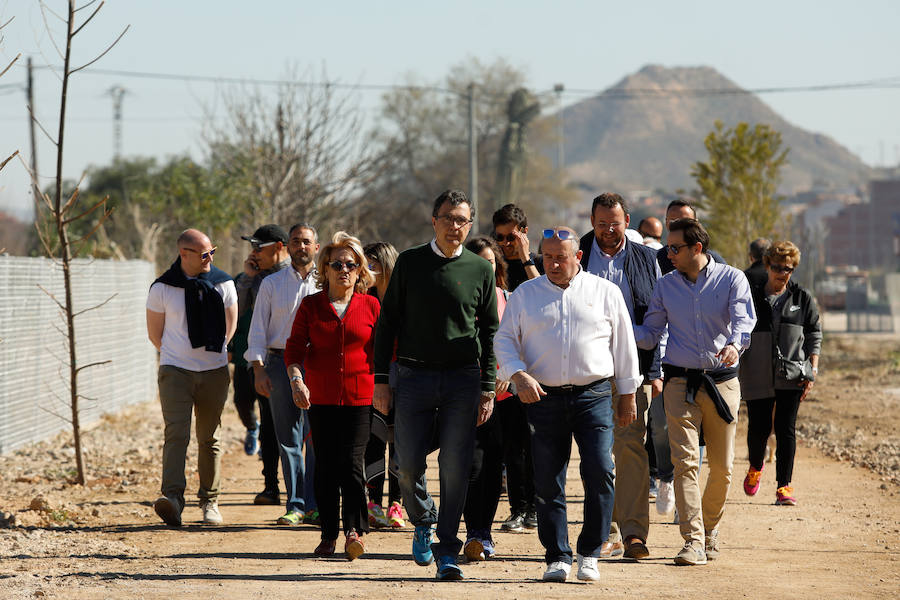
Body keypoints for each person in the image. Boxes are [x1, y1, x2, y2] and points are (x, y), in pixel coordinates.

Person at [495, 226, 641, 583]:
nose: (553, 263)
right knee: (547, 480)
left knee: (600, 472)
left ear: (578, 257)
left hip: (593, 395)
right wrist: (517, 374)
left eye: (561, 257)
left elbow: (624, 345)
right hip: (542, 397)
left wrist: (627, 395)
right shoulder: (526, 295)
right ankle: (557, 556)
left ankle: (590, 552)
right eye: (547, 256)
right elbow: (504, 341)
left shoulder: (605, 292)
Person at [373, 189, 499, 581]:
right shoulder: (410, 263)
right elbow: (387, 322)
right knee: (406, 464)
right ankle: (422, 518)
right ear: (434, 220)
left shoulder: (481, 269)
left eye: (462, 220)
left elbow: (491, 331)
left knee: (455, 467)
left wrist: (488, 386)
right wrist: (381, 379)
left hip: (463, 379)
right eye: (448, 218)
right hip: (413, 376)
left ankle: (447, 549)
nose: (455, 226)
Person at [634, 218, 756, 566]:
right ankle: (693, 541)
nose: (667, 254)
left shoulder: (732, 279)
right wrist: (616, 327)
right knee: (685, 464)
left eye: (674, 248)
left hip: (722, 385)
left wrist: (735, 345)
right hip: (678, 384)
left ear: (696, 249)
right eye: (667, 247)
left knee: (723, 468)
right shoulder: (666, 286)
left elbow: (742, 320)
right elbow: (651, 332)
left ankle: (710, 527)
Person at [285, 232, 380, 560]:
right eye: (337, 263)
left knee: (353, 463)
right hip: (320, 398)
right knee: (324, 466)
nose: (344, 269)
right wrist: (297, 380)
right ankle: (328, 533)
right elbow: (294, 348)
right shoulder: (311, 306)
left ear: (360, 270)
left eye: (351, 264)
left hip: (360, 398)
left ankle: (355, 530)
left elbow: (385, 352)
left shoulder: (371, 306)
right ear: (324, 269)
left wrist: (386, 388)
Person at [577, 192, 662, 560]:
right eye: (601, 224)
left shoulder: (648, 259)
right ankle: (604, 530)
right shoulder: (576, 254)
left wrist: (656, 369)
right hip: (588, 370)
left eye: (615, 223)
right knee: (596, 454)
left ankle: (633, 534)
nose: (608, 231)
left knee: (630, 449)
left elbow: (661, 317)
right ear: (591, 222)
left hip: (632, 370)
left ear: (627, 219)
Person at [146, 229, 238, 526]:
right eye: (203, 254)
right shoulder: (162, 287)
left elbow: (230, 326)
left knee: (210, 437)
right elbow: (154, 334)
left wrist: (211, 354)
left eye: (213, 251)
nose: (210, 258)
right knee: (176, 434)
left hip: (214, 371)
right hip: (175, 371)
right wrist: (179, 356)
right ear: (183, 254)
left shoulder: (223, 283)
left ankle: (210, 501)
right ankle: (172, 498)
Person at [245, 223, 320, 526]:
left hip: (318, 365)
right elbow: (258, 330)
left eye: (306, 242)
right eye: (295, 242)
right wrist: (259, 369)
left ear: (316, 247)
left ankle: (316, 504)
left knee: (316, 438)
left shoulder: (327, 283)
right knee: (288, 438)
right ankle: (296, 504)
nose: (301, 247)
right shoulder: (272, 284)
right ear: (287, 247)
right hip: (278, 365)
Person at [739, 241, 821, 506]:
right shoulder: (751, 296)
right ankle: (755, 467)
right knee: (759, 427)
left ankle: (784, 486)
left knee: (786, 430)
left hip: (792, 374)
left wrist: (812, 369)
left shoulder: (802, 298)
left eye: (788, 269)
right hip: (756, 373)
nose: (782, 273)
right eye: (777, 267)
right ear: (767, 266)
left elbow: (813, 334)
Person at [490, 203, 541, 533]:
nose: (506, 244)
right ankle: (518, 508)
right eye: (500, 237)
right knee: (512, 446)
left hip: (535, 366)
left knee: (533, 443)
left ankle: (535, 508)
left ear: (523, 231)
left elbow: (545, 295)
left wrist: (525, 257)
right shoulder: (494, 267)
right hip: (506, 370)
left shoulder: (535, 263)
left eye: (511, 236)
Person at [462, 235, 510, 561]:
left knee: (493, 468)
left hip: (504, 398)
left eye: (490, 262)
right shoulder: (458, 300)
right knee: (471, 466)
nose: (485, 268)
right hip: (464, 395)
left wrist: (510, 372)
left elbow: (521, 341)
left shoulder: (510, 298)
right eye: (479, 262)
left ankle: (484, 534)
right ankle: (471, 532)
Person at [237, 226, 292, 506]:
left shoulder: (298, 275)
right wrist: (247, 277)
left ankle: (308, 493)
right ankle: (271, 487)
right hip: (266, 360)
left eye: (259, 247)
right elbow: (238, 307)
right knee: (269, 427)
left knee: (303, 431)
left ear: (279, 246)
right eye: (253, 247)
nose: (254, 252)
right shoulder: (255, 279)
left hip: (302, 361)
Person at [361, 241, 406, 529]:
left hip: (404, 376)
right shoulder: (362, 298)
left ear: (388, 266)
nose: (366, 271)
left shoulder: (406, 298)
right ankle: (373, 503)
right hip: (370, 378)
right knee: (374, 441)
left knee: (402, 443)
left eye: (372, 265)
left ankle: (397, 505)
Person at [229, 254, 262, 456]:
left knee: (269, 406)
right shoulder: (239, 281)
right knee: (241, 401)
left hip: (267, 357)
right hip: (243, 354)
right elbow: (229, 316)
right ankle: (252, 428)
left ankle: (266, 442)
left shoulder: (275, 280)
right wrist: (229, 347)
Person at [656, 199, 727, 274]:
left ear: (696, 223)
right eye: (673, 221)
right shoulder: (658, 261)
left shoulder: (714, 262)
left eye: (685, 221)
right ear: (666, 222)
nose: (678, 225)